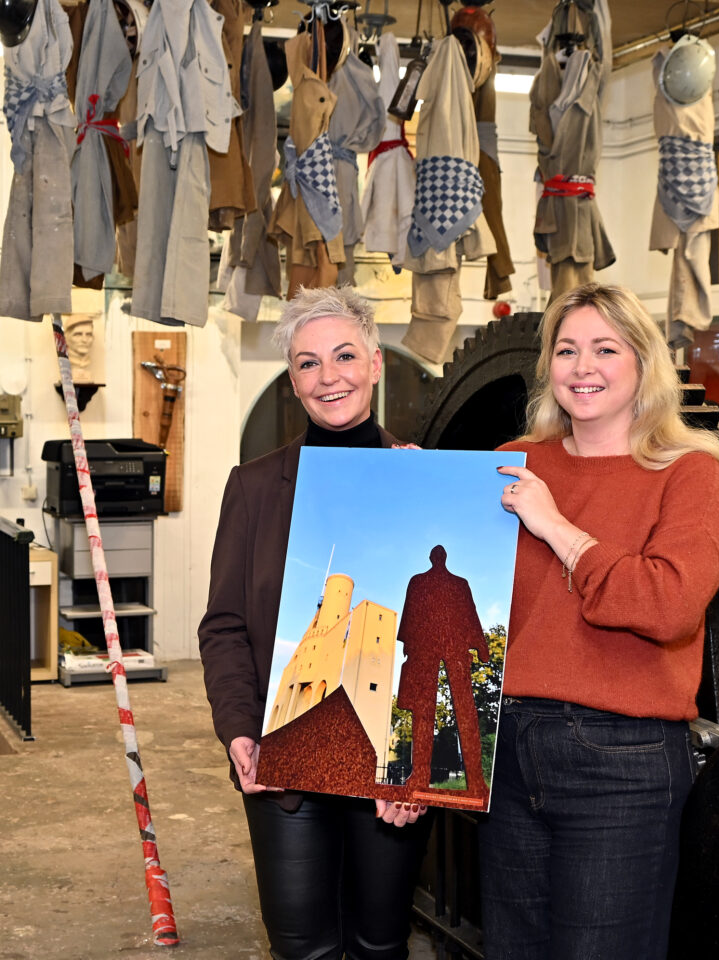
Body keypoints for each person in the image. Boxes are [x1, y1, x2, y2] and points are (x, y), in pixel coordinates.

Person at [479, 282, 719, 960]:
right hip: (507, 751)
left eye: (604, 349)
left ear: (642, 362)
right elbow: (459, 607)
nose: (582, 367)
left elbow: (666, 605)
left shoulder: (690, 472)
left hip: (623, 763)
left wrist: (556, 526)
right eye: (566, 350)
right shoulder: (514, 461)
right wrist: (417, 496)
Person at [198, 286, 430, 960]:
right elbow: (224, 627)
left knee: (380, 942)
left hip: (391, 765)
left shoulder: (423, 480)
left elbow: (439, 638)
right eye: (307, 363)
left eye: (344, 356)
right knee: (301, 946)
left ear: (375, 364)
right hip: (286, 765)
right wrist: (239, 731)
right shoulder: (254, 487)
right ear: (292, 381)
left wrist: (423, 762)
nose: (328, 377)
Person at [395, 544, 490, 801]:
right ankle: (421, 775)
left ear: (439, 558)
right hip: (428, 650)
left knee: (464, 709)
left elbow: (470, 614)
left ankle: (476, 779)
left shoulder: (457, 584)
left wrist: (480, 644)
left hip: (452, 650)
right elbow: (411, 614)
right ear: (436, 558)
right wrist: (408, 646)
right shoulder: (422, 582)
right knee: (424, 710)